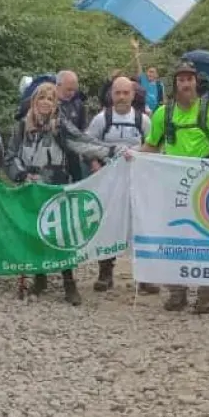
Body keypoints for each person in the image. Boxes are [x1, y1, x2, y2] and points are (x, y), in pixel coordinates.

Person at [5, 81, 113, 305]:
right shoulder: (21, 127)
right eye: (41, 98)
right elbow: (10, 156)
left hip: (56, 184)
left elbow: (83, 143)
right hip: (31, 187)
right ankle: (40, 278)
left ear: (55, 104)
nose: (45, 102)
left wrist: (112, 151)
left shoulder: (61, 126)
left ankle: (69, 283)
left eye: (50, 99)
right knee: (34, 233)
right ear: (34, 101)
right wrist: (22, 174)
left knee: (61, 235)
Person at [142, 59, 209, 314]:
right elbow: (151, 145)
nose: (185, 83)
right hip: (173, 187)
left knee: (207, 239)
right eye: (181, 79)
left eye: (189, 79)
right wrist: (133, 157)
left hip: (206, 185)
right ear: (175, 83)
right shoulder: (163, 113)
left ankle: (205, 295)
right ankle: (177, 293)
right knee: (174, 238)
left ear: (196, 82)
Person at [86, 75, 157, 295]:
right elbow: (87, 145)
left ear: (133, 95)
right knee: (107, 224)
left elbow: (154, 146)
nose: (122, 97)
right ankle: (105, 274)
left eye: (126, 93)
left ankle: (144, 276)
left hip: (137, 181)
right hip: (109, 181)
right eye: (118, 92)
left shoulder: (143, 120)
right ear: (111, 95)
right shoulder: (101, 119)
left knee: (141, 226)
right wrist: (95, 165)